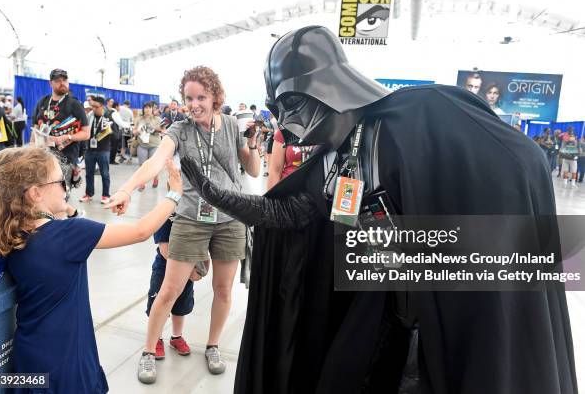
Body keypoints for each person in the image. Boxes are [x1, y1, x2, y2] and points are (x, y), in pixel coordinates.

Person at [179, 26, 577, 394]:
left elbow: (519, 161)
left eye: (291, 104)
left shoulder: (427, 113)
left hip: (451, 313)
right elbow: (290, 214)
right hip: (381, 313)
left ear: (324, 89)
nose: (287, 124)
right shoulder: (337, 154)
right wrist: (216, 193)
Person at [0, 146, 183, 393]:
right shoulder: (70, 234)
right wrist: (174, 195)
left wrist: (63, 208)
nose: (67, 187)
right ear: (35, 193)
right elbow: (140, 231)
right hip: (66, 360)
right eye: (60, 181)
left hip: (29, 355)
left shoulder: (9, 230)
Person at [106, 65, 260, 383]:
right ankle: (149, 351)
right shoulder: (180, 130)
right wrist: (126, 188)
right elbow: (155, 160)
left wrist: (253, 144)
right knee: (169, 289)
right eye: (189, 98)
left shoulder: (232, 125)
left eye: (201, 97)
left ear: (216, 96)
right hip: (191, 217)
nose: (194, 104)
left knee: (223, 289)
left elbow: (254, 171)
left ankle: (213, 345)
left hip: (230, 218)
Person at [145, 215, 207, 360]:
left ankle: (176, 337)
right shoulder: (166, 215)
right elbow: (165, 250)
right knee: (159, 303)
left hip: (188, 268)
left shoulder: (193, 215)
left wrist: (199, 268)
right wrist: (188, 269)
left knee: (181, 305)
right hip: (164, 270)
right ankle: (156, 339)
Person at [30, 69, 90, 196]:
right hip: (43, 157)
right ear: (50, 83)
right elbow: (35, 129)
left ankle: (64, 214)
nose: (62, 83)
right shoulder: (42, 102)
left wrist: (66, 136)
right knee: (42, 195)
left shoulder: (75, 104)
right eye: (58, 80)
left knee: (60, 197)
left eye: (65, 80)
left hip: (65, 160)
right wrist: (31, 151)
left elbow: (86, 133)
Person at [80, 96, 114, 203]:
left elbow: (114, 132)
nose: (93, 108)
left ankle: (105, 195)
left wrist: (109, 130)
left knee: (105, 173)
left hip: (103, 150)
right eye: (92, 106)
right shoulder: (89, 116)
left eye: (96, 106)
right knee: (88, 173)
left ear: (102, 106)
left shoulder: (108, 116)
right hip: (90, 149)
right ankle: (89, 193)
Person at [133, 102, 163, 190]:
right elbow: (134, 131)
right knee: (142, 165)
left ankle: (156, 178)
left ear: (152, 109)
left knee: (154, 164)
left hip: (154, 144)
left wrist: (153, 129)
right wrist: (137, 131)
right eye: (145, 108)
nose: (147, 109)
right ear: (143, 109)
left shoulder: (157, 119)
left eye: (149, 108)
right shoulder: (139, 119)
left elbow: (163, 129)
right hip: (142, 144)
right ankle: (142, 183)